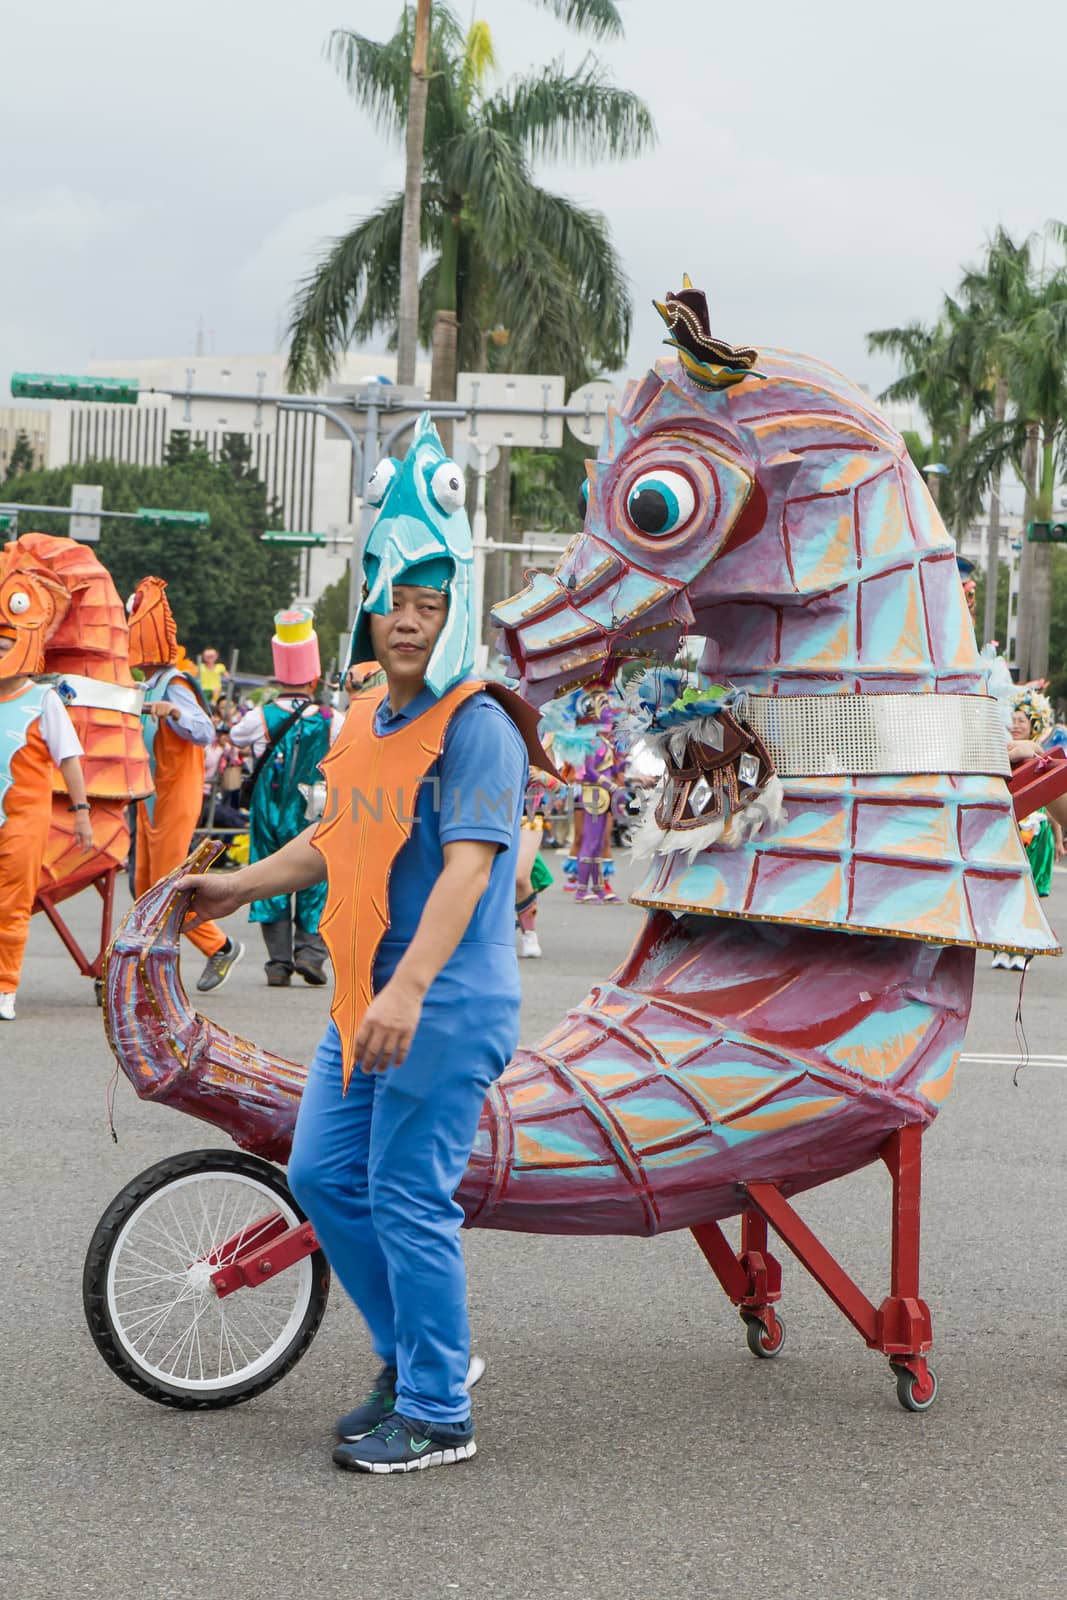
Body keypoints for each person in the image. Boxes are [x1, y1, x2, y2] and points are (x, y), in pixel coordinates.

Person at [181, 416, 549, 1475]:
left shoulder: (477, 723)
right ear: (368, 608)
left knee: (402, 1191)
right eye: (392, 599)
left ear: (455, 613)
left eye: (428, 604)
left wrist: (408, 989)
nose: (406, 621)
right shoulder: (363, 721)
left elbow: (472, 869)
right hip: (361, 993)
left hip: (435, 1004)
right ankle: (414, 1360)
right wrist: (233, 882)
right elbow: (334, 842)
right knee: (325, 1175)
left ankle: (439, 1412)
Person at [128, 577, 244, 993]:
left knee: (168, 885)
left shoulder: (175, 684)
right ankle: (144, 964)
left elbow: (203, 729)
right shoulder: (145, 684)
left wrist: (173, 713)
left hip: (176, 794)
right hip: (150, 796)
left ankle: (218, 946)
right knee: (143, 885)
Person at [0, 564, 94, 1020]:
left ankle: (4, 988)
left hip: (22, 820)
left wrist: (81, 812)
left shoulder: (44, 700)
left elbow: (70, 758)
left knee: (12, 905)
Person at [229, 609, 340, 986]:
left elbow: (236, 738)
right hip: (313, 806)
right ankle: (310, 953)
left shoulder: (258, 716)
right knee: (316, 876)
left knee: (268, 873)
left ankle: (278, 962)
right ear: (313, 677)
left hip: (268, 806)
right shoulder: (329, 717)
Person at [993, 686, 1063, 970]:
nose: (1017, 724)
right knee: (1001, 892)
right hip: (1006, 832)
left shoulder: (1041, 757)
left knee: (1028, 895)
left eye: (1023, 720)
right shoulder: (1001, 751)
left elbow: (1053, 800)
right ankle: (1000, 946)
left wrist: (1058, 840)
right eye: (1015, 719)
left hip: (1035, 834)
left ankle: (1024, 949)